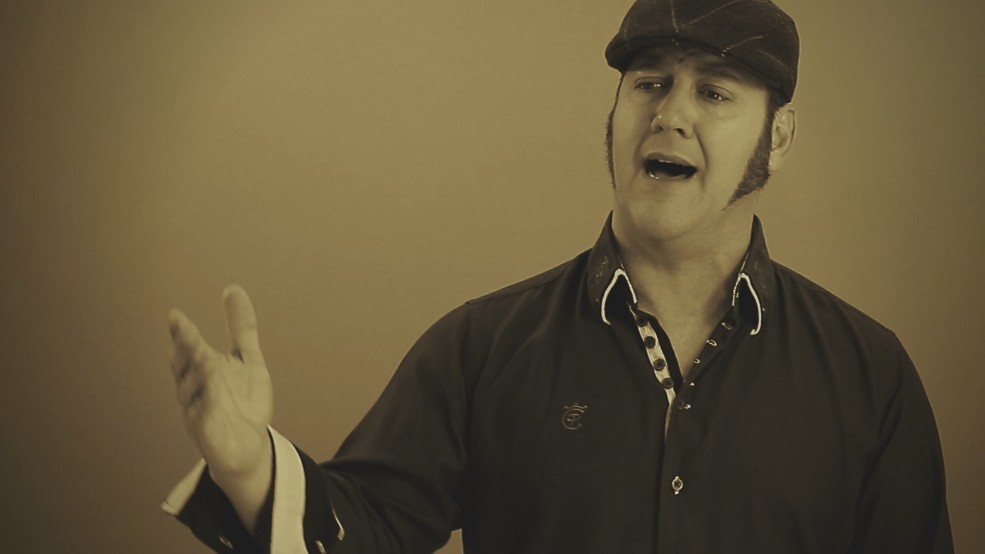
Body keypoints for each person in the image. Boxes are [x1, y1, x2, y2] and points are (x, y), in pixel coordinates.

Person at [162, 0, 953, 552]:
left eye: (713, 92)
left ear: (776, 138)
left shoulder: (869, 373)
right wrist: (250, 466)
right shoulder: (479, 349)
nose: (669, 114)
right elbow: (366, 528)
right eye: (648, 83)